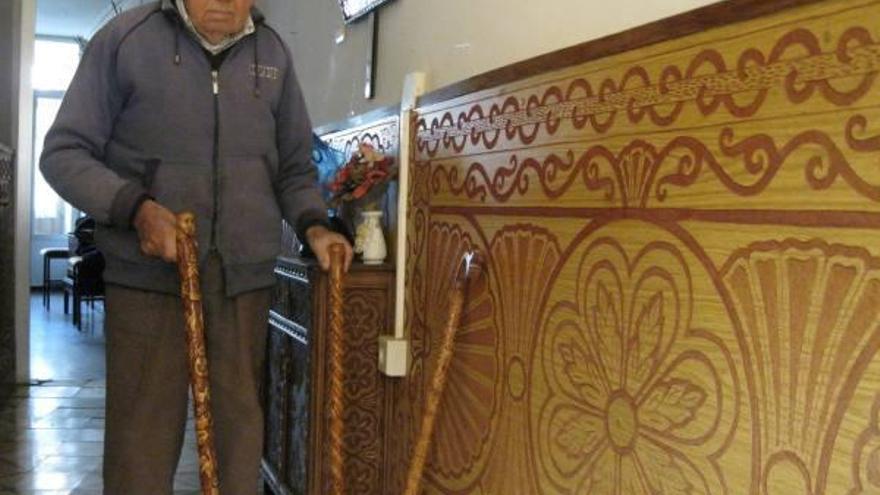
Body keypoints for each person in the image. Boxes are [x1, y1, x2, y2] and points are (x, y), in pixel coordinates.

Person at [39, 0, 353, 493]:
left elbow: (294, 167)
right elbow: (62, 154)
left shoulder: (271, 53)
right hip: (148, 275)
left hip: (243, 278)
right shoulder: (125, 39)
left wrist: (314, 225)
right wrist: (136, 208)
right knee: (141, 438)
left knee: (240, 431)